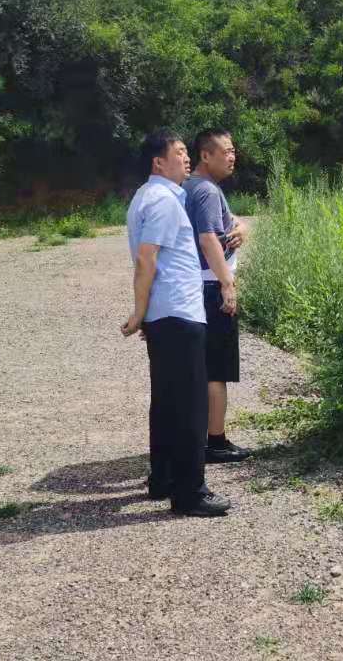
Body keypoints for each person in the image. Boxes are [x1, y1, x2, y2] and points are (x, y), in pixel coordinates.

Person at [121, 128, 231, 517]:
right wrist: (138, 312)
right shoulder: (164, 201)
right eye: (180, 152)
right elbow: (146, 258)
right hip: (178, 313)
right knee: (190, 407)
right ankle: (189, 493)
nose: (187, 158)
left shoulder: (146, 197)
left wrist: (145, 312)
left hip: (165, 314)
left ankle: (164, 478)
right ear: (158, 162)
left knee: (167, 402)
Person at [184, 128, 252, 464]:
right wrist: (227, 284)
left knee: (200, 368)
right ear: (205, 155)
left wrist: (241, 227)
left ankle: (197, 438)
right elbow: (208, 238)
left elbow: (226, 223)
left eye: (233, 150)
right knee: (216, 370)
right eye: (225, 151)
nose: (232, 156)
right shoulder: (207, 190)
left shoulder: (191, 187)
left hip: (195, 286)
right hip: (211, 287)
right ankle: (215, 441)